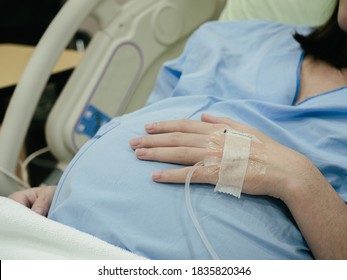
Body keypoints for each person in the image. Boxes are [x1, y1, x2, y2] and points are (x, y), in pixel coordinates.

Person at [9, 1, 347, 259]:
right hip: (54, 231)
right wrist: (64, 189)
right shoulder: (229, 38)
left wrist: (302, 181)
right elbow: (149, 141)